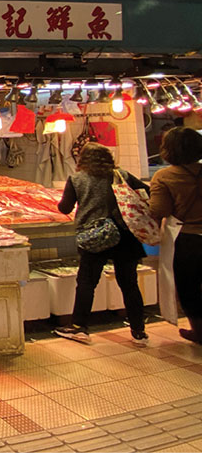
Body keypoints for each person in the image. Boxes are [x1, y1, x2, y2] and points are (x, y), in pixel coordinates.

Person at [54, 143, 149, 346]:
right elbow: (146, 192)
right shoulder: (121, 175)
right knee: (129, 283)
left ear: (83, 160)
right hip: (125, 235)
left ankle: (79, 328)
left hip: (94, 236)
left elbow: (65, 208)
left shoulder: (77, 179)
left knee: (87, 282)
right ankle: (138, 331)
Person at [148, 127, 202, 345]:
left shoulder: (164, 176)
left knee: (189, 287)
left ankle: (199, 331)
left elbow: (158, 210)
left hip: (187, 240)